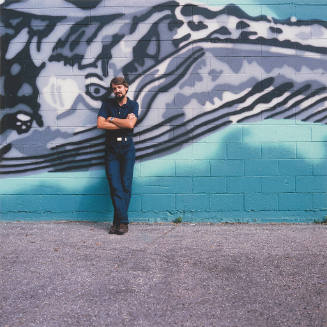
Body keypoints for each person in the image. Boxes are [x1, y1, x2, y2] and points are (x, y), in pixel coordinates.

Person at [97, 76, 138, 235]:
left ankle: (119, 223)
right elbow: (100, 124)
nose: (117, 91)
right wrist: (122, 123)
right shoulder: (107, 104)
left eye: (119, 88)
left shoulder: (133, 105)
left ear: (126, 88)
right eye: (114, 88)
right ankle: (121, 221)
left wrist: (113, 119)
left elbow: (130, 125)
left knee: (125, 184)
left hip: (127, 148)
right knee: (115, 185)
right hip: (111, 148)